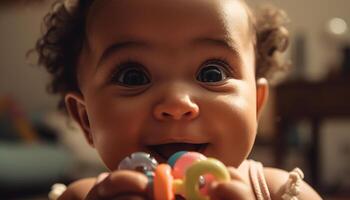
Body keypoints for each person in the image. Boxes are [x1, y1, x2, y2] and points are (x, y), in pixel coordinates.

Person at [36, 0, 322, 199]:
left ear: (256, 105)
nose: (176, 104)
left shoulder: (282, 192)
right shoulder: (81, 196)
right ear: (86, 119)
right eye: (132, 77)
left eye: (212, 74)